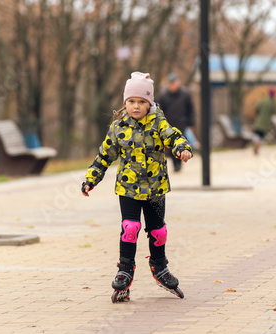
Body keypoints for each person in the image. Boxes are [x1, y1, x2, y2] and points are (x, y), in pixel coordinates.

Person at [81, 72, 193, 302]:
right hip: (128, 188)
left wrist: (182, 148)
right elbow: (104, 156)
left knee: (158, 231)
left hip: (155, 188)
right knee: (130, 228)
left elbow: (173, 136)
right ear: (125, 102)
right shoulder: (118, 127)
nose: (136, 106)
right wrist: (91, 179)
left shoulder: (158, 122)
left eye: (142, 102)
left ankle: (159, 266)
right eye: (131, 101)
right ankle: (125, 269)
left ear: (149, 103)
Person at [157, 73, 197, 172]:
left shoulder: (185, 94)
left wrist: (191, 123)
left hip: (181, 123)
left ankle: (179, 164)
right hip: (168, 123)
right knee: (171, 146)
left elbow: (190, 109)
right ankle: (175, 164)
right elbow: (160, 110)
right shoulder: (163, 95)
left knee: (181, 143)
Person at [252, 87, 276, 155]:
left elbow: (256, 108)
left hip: (259, 121)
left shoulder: (264, 100)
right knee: (260, 135)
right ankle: (257, 144)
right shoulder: (273, 102)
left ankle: (256, 143)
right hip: (266, 123)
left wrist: (259, 114)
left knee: (257, 134)